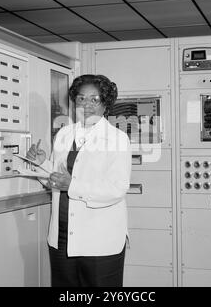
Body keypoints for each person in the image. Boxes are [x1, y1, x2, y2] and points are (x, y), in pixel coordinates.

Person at [26, 74, 132, 287]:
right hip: (62, 235)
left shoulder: (117, 139)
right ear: (75, 101)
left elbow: (117, 188)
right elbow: (56, 179)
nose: (87, 105)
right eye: (82, 98)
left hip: (99, 238)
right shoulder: (64, 134)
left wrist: (72, 185)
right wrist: (42, 163)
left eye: (95, 99)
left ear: (106, 104)